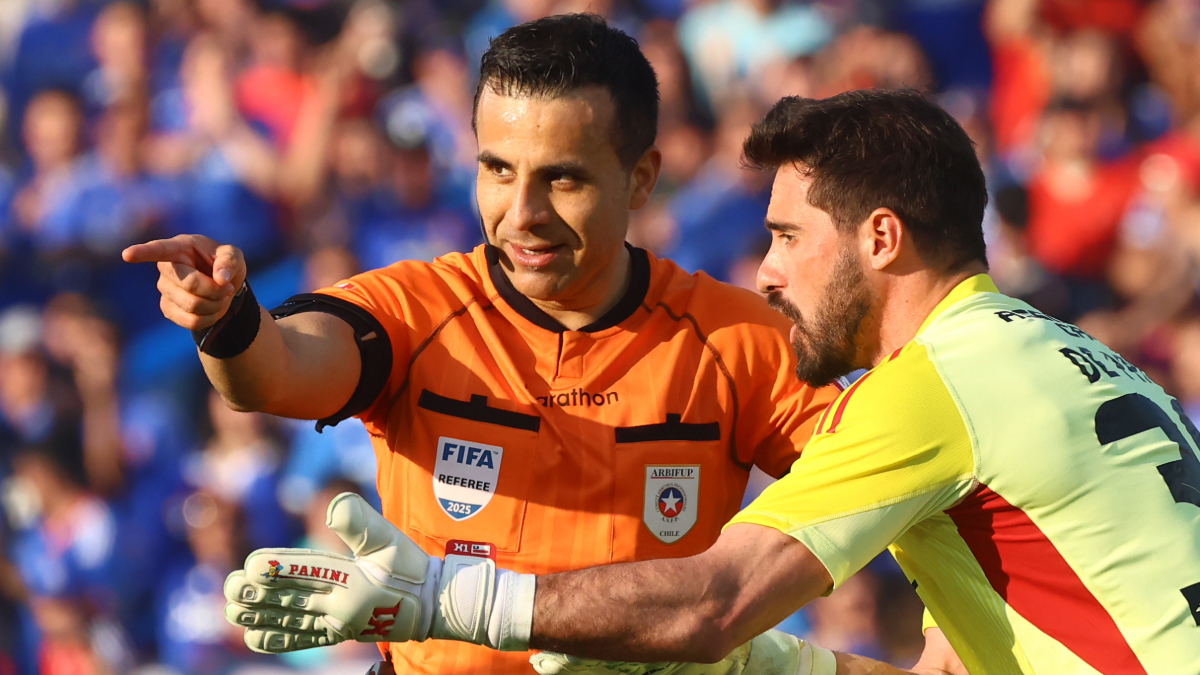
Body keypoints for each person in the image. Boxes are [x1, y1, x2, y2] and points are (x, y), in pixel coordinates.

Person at [222, 88, 1200, 675]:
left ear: (881, 239)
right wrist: (763, 666)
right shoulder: (1074, 361)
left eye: (788, 237)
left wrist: (438, 598)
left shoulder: (926, 391)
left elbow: (712, 601)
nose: (766, 272)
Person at [124, 14, 842, 674]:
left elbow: (880, 485)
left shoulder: (739, 339)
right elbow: (274, 370)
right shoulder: (415, 311)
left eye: (562, 178)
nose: (522, 213)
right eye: (498, 169)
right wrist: (227, 319)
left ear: (641, 179)